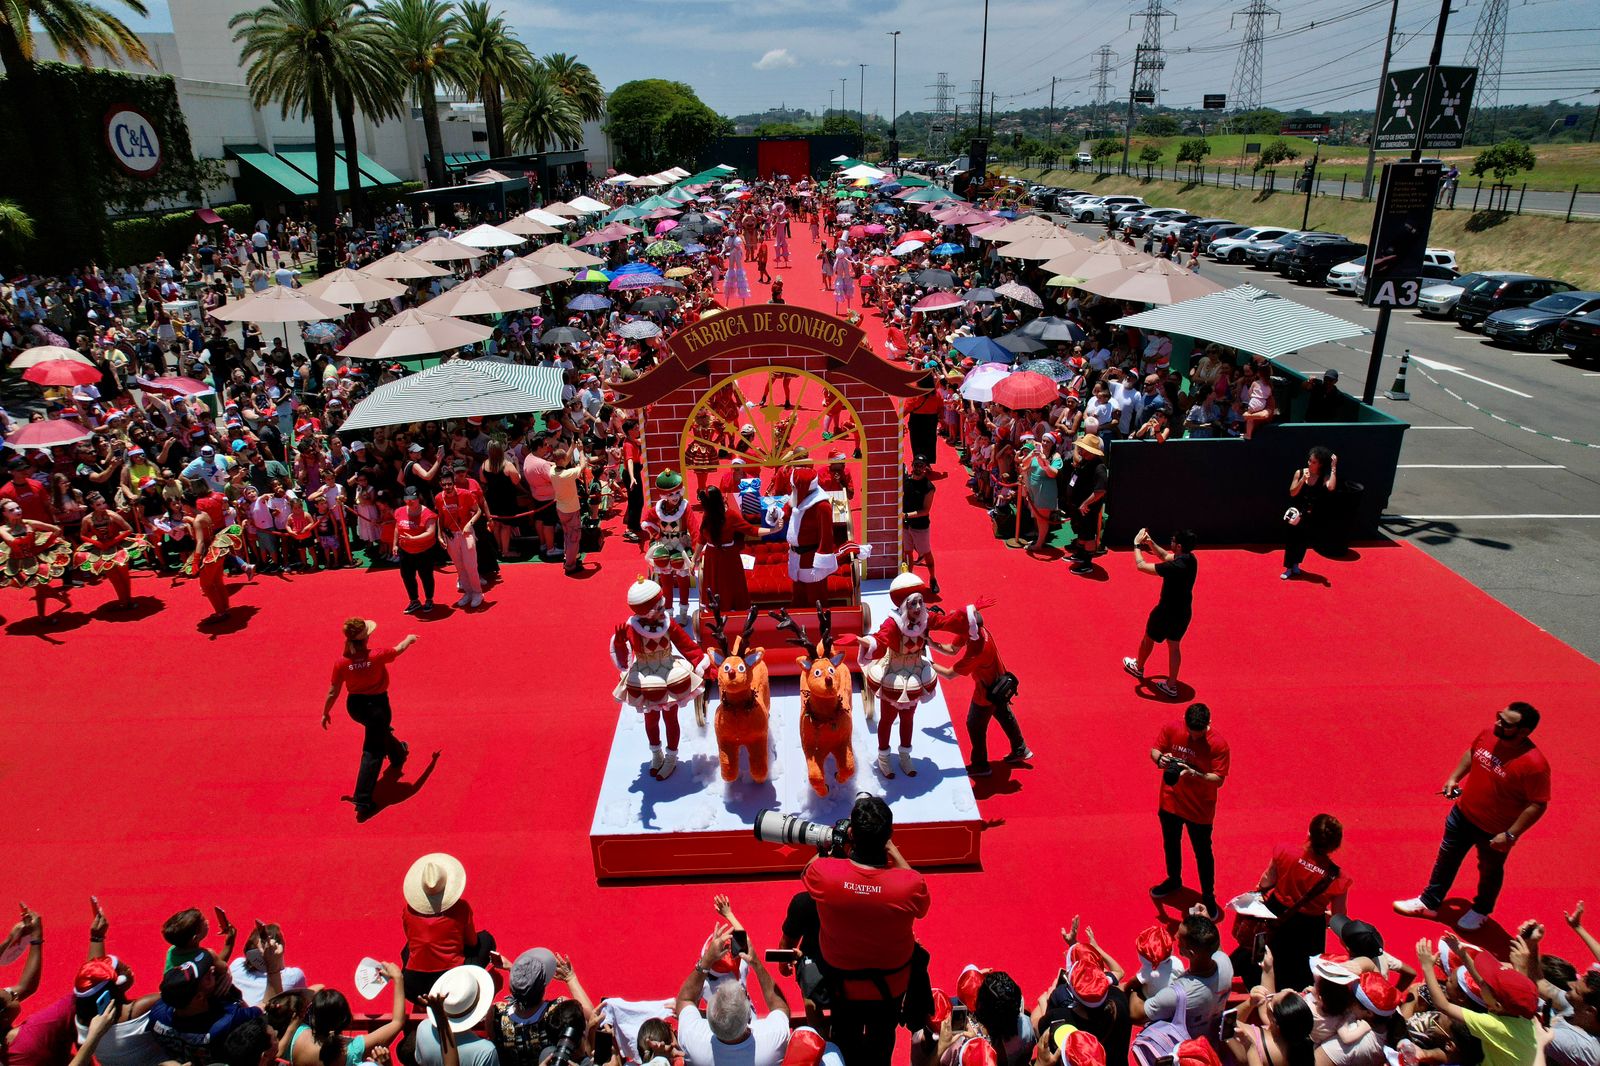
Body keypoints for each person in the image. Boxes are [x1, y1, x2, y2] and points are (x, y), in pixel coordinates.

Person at [798, 795, 932, 1066]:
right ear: (888, 836)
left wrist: (835, 847)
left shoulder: (825, 875)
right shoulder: (909, 885)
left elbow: (807, 871)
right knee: (882, 1040)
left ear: (851, 833)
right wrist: (893, 850)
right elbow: (921, 896)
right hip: (891, 987)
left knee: (845, 1038)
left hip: (841, 985)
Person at [1394, 703, 1550, 931]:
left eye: (1506, 723)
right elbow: (1472, 752)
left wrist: (1510, 834)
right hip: (1462, 814)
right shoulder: (1488, 734)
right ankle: (1429, 902)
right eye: (1499, 717)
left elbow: (1538, 803)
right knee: (1446, 858)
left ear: (1524, 731)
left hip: (1495, 830)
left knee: (1489, 870)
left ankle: (1481, 910)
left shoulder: (1534, 764)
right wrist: (1453, 778)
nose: (1498, 723)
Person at [610, 576, 709, 781]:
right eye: (658, 606)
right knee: (651, 718)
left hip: (669, 674)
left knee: (671, 719)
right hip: (646, 678)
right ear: (645, 611)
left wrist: (703, 664)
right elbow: (625, 661)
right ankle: (656, 754)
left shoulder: (667, 623)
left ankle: (671, 756)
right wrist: (620, 644)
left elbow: (686, 644)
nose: (663, 608)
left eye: (662, 603)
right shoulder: (633, 629)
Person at [844, 572, 939, 779]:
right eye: (913, 604)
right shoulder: (893, 623)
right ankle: (884, 757)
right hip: (893, 675)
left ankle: (905, 756)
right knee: (887, 719)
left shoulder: (925, 619)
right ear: (905, 605)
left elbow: (947, 620)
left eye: (920, 603)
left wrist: (970, 616)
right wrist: (861, 640)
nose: (917, 608)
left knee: (908, 718)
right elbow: (880, 639)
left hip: (914, 675)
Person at [1242, 815, 1352, 992]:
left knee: (1266, 958)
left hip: (1276, 914)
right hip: (1309, 929)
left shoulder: (1285, 852)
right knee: (1299, 975)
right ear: (1335, 845)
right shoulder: (1339, 879)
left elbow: (1266, 880)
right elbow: (1339, 916)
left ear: (1309, 833)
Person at [322, 618, 414, 822]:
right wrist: (409, 638)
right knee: (372, 750)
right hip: (378, 707)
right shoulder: (376, 655)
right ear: (366, 638)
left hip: (355, 707)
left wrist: (325, 711)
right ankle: (363, 798)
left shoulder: (342, 662)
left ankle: (398, 753)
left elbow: (333, 691)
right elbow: (398, 649)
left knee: (377, 731)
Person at [930, 602, 1030, 778]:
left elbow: (949, 674)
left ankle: (980, 764)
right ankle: (1020, 748)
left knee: (974, 725)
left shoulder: (976, 652)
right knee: (1004, 714)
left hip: (985, 694)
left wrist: (927, 664)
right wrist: (931, 643)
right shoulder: (977, 631)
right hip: (1000, 684)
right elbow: (953, 650)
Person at [1150, 704, 1230, 920]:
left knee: (1203, 854)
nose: (1194, 738)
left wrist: (1196, 775)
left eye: (1199, 735)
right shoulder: (1172, 728)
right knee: (1171, 843)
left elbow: (1219, 779)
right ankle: (1174, 879)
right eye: (1191, 734)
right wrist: (1160, 759)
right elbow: (1155, 750)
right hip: (1170, 802)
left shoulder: (1219, 745)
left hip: (1200, 809)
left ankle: (1208, 896)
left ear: (1208, 724)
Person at [673, 917, 790, 1065]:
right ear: (748, 1015)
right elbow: (780, 1007)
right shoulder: (772, 1038)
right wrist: (756, 963)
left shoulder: (692, 1038)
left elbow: (685, 1000)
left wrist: (707, 960)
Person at [1415, 938, 1539, 1066]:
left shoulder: (1495, 1025)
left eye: (1487, 984)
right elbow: (1481, 982)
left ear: (1497, 1005)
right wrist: (1463, 955)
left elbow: (1444, 1006)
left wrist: (1427, 967)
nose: (1482, 982)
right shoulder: (1520, 1014)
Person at [401, 855, 498, 1001]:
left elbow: (410, 939)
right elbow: (472, 942)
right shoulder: (461, 908)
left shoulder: (408, 911)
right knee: (486, 939)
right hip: (453, 980)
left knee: (407, 949)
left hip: (413, 986)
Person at [1123, 529, 1198, 699]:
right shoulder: (1190, 559)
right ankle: (1171, 685)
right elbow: (1165, 556)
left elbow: (1141, 566)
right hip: (1183, 612)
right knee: (1174, 646)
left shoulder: (1174, 567)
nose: (1170, 542)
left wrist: (1136, 545)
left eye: (1173, 540)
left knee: (1148, 638)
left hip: (1165, 612)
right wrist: (1150, 542)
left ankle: (1138, 667)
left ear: (1178, 546)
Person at [695, 486, 770, 612]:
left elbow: (751, 530)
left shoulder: (731, 515)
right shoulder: (708, 515)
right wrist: (694, 558)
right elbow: (702, 537)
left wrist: (772, 530)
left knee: (730, 585)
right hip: (713, 557)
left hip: (728, 557)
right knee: (716, 586)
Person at [0, 497, 74, 618]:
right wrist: (29, 533)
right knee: (37, 586)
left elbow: (56, 530)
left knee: (39, 587)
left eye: (18, 507)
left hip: (34, 558)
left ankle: (42, 617)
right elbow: (13, 542)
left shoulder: (29, 522)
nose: (17, 511)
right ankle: (58, 598)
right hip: (15, 562)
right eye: (12, 510)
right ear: (4, 513)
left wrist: (43, 546)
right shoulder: (3, 529)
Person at [643, 471, 695, 618]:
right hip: (664, 545)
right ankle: (669, 613)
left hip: (681, 545)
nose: (675, 497)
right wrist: (655, 534)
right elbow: (646, 520)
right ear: (664, 495)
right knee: (666, 582)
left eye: (677, 493)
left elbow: (694, 528)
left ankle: (684, 612)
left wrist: (696, 551)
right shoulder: (658, 509)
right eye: (671, 494)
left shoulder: (685, 508)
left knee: (683, 580)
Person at [435, 463, 484, 610]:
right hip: (451, 536)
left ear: (453, 483)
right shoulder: (439, 498)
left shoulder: (465, 494)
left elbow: (478, 511)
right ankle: (468, 592)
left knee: (470, 565)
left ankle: (477, 593)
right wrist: (439, 535)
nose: (447, 487)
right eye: (444, 485)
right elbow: (440, 517)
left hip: (466, 532)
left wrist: (470, 523)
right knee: (459, 566)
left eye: (449, 484)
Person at [1282, 448, 1336, 580]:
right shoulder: (1299, 473)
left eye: (1314, 462)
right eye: (1309, 460)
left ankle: (1296, 564)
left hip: (1310, 514)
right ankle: (1288, 567)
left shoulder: (1323, 477)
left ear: (1320, 464)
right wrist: (1302, 480)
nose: (1310, 463)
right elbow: (1292, 492)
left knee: (1303, 541)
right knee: (1291, 541)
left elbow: (1331, 487)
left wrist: (1334, 468)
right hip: (1295, 514)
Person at [1065, 435, 1107, 576]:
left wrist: (1085, 503)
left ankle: (1087, 564)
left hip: (1088, 509)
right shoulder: (1085, 461)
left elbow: (1100, 491)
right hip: (1078, 506)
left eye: (1084, 448)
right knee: (1081, 532)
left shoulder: (1099, 467)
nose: (1082, 450)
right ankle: (1080, 556)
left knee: (1088, 535)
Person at [395, 487, 439, 614]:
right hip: (406, 550)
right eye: (407, 500)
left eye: (413, 499)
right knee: (407, 576)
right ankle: (414, 600)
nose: (410, 502)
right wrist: (395, 544)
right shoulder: (399, 511)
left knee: (426, 576)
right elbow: (397, 528)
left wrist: (414, 539)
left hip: (424, 551)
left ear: (418, 499)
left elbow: (430, 533)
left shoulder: (427, 514)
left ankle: (429, 599)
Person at [902, 454, 940, 595]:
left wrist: (907, 515)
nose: (918, 468)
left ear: (926, 469)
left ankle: (932, 578)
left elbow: (925, 510)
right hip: (906, 525)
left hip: (920, 526)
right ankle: (909, 580)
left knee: (926, 552)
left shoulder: (929, 488)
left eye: (921, 466)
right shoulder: (905, 481)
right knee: (907, 553)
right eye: (916, 465)